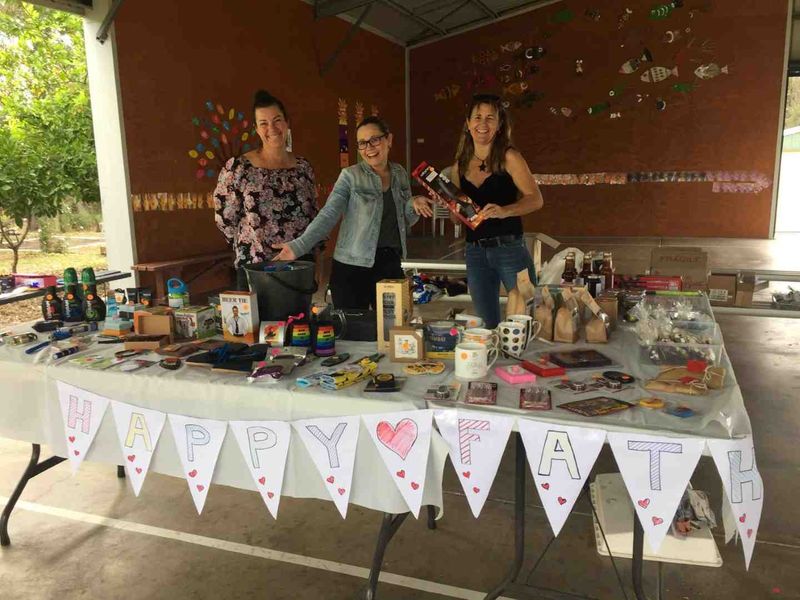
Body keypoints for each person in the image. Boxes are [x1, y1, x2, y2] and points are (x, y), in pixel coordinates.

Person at [273, 116, 432, 309]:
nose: (369, 148)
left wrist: (414, 204)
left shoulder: (399, 173)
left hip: (390, 264)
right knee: (353, 332)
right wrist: (298, 246)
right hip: (352, 266)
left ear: (389, 140)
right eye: (363, 143)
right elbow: (329, 214)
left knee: (392, 328)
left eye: (375, 140)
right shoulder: (350, 176)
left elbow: (406, 221)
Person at [449, 94, 544, 329]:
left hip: (510, 249)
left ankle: (522, 365)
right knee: (487, 325)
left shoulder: (509, 157)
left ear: (500, 124)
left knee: (524, 322)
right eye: (478, 117)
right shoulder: (458, 165)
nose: (483, 124)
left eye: (490, 118)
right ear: (468, 123)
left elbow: (536, 199)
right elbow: (456, 217)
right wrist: (449, 205)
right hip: (475, 253)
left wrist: (505, 211)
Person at [214, 90, 319, 291]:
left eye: (277, 120)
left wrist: (317, 261)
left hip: (298, 266)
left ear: (287, 122)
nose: (271, 128)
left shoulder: (303, 167)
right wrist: (253, 240)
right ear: (256, 129)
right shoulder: (239, 168)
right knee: (256, 324)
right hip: (255, 268)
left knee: (299, 323)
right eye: (263, 123)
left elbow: (314, 216)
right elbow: (225, 219)